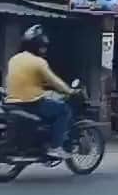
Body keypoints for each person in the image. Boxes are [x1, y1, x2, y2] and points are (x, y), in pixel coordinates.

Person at [4, 25, 76, 160]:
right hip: (31, 103)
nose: (44, 50)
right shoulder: (39, 62)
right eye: (42, 46)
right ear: (36, 46)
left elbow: (22, 79)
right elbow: (54, 80)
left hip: (11, 101)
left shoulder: (14, 59)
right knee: (64, 110)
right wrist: (69, 90)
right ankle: (55, 147)